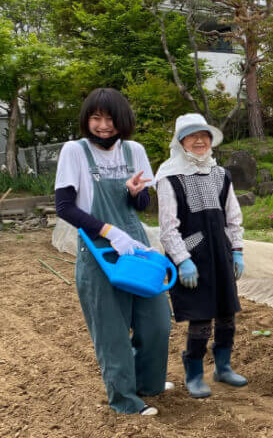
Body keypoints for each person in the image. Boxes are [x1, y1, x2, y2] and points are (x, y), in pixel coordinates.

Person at [55, 88, 171, 415]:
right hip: (98, 250)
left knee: (157, 322)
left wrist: (136, 193)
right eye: (96, 117)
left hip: (133, 245)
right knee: (112, 329)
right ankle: (124, 399)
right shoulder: (74, 152)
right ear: (87, 120)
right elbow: (64, 206)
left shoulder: (134, 151)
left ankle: (148, 382)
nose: (103, 125)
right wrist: (107, 230)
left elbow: (144, 203)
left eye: (110, 118)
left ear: (123, 121)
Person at [156, 113, 247, 398]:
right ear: (180, 141)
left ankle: (223, 366)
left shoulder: (220, 174)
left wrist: (237, 249)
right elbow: (168, 226)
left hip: (220, 254)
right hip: (192, 258)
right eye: (192, 135)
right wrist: (182, 259)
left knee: (226, 313)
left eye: (204, 135)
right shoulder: (170, 177)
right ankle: (194, 373)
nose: (199, 140)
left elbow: (233, 215)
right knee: (200, 318)